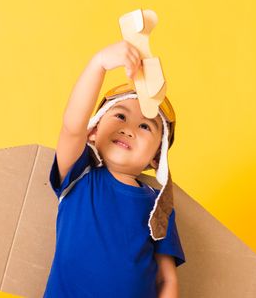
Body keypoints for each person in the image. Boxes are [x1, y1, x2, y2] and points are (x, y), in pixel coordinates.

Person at [43, 40, 186, 297]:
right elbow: (72, 127)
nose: (128, 129)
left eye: (145, 126)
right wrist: (98, 65)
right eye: (119, 115)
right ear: (94, 130)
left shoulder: (159, 206)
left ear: (156, 156)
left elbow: (167, 280)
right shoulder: (80, 177)